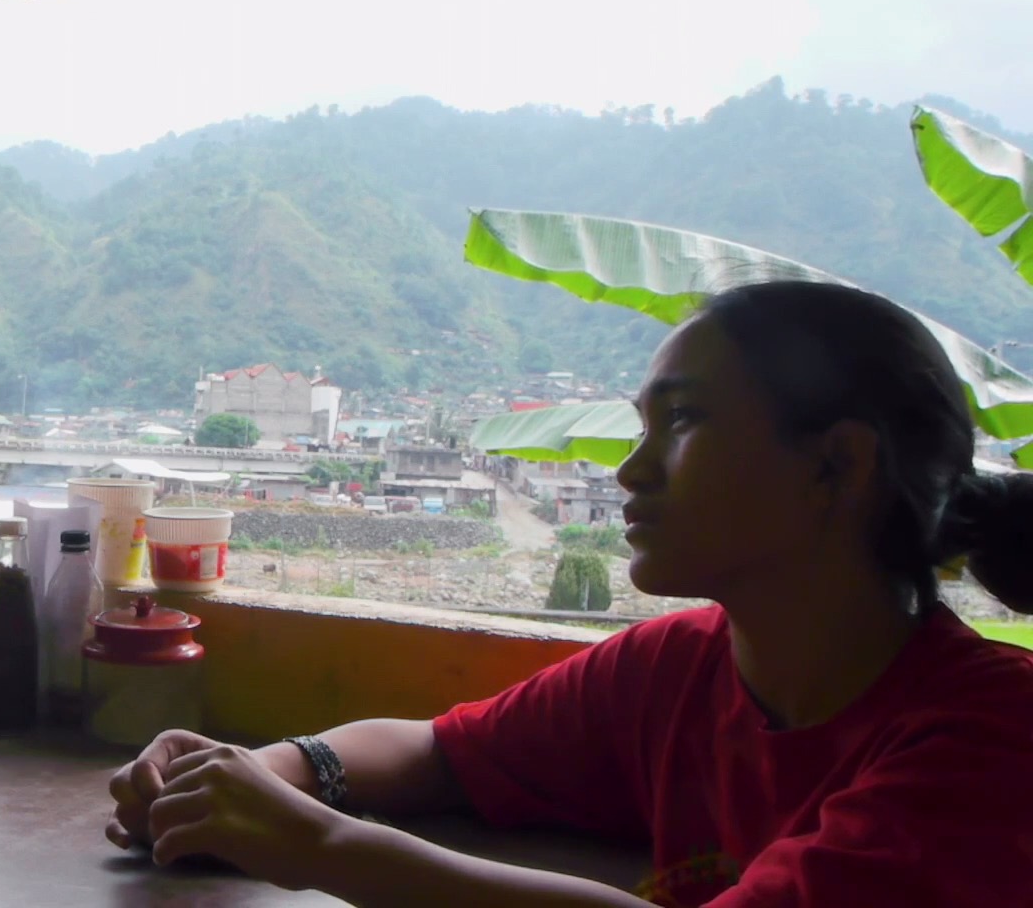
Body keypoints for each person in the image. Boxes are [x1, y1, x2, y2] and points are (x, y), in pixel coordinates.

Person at [106, 280, 1033, 906]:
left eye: (684, 420)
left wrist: (321, 847)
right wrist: (255, 776)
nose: (630, 471)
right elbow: (440, 752)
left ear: (838, 465)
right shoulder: (678, 667)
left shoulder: (992, 738)